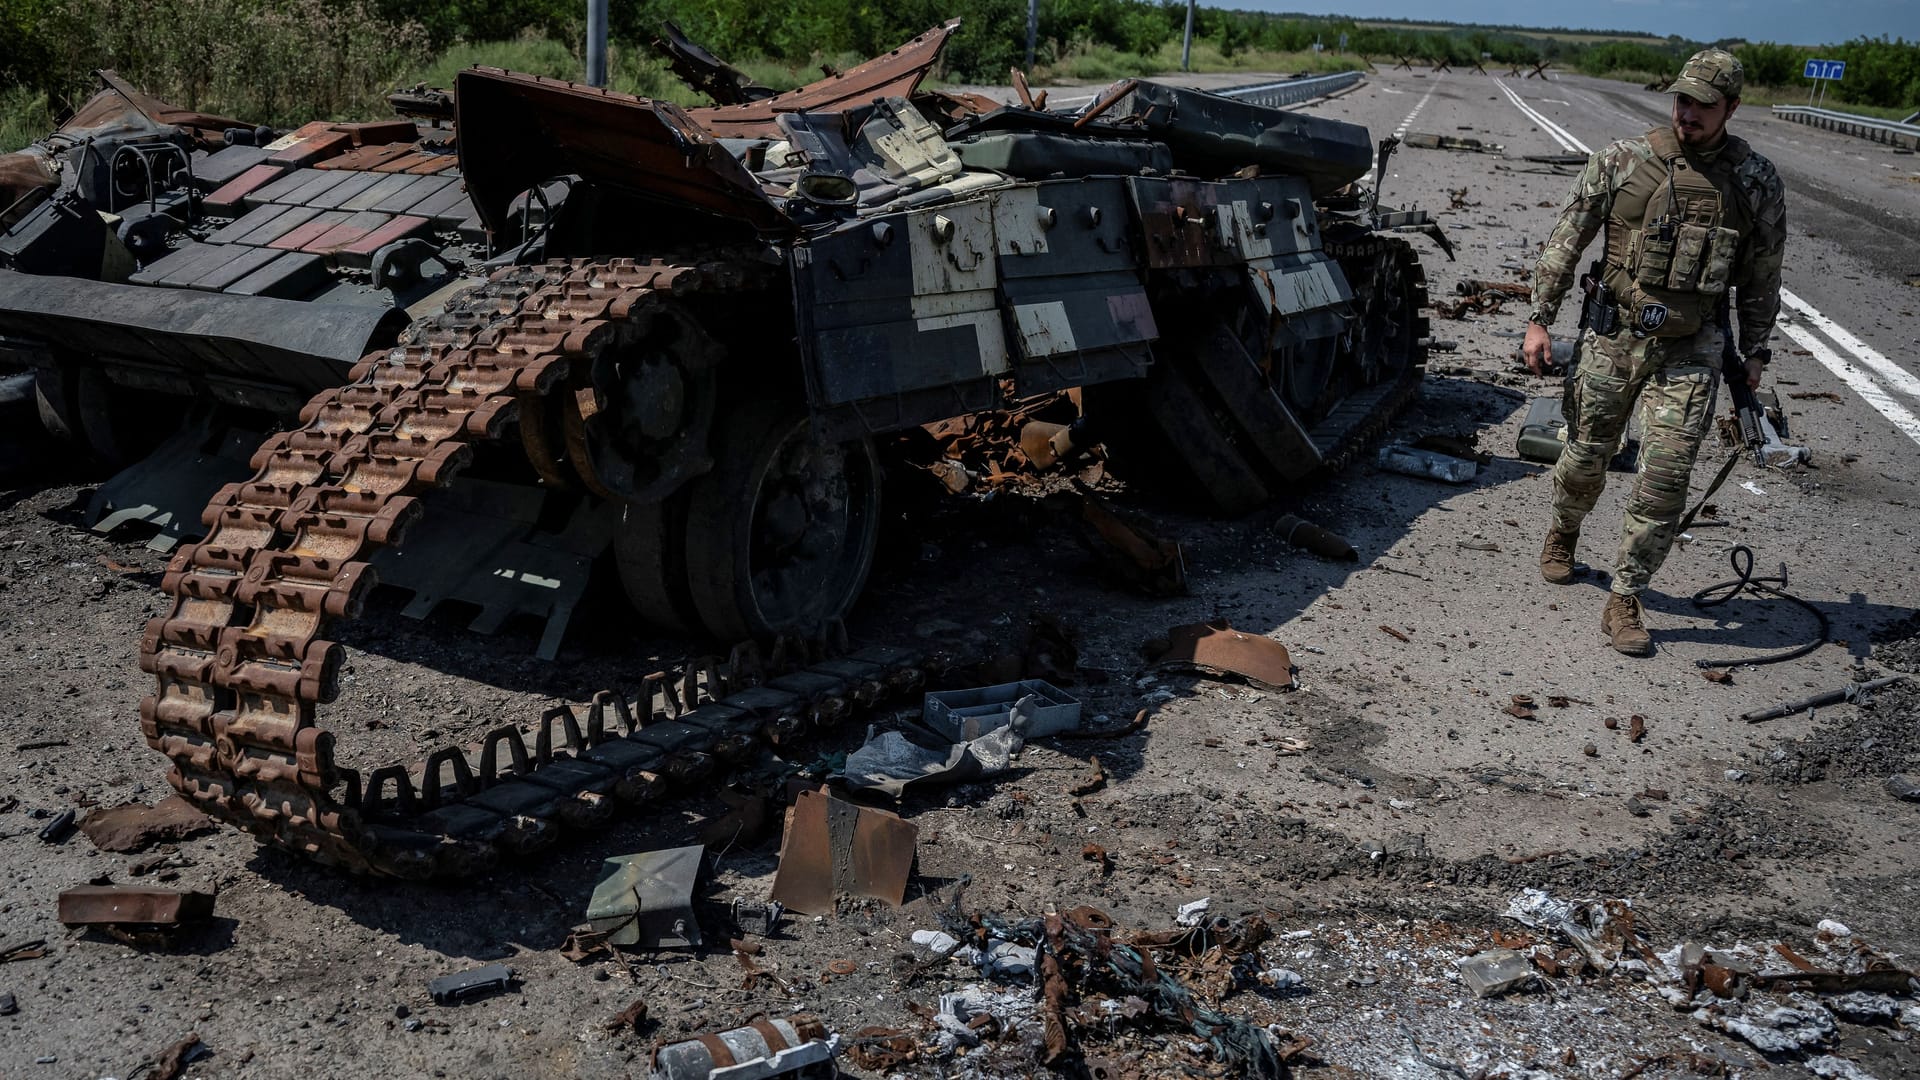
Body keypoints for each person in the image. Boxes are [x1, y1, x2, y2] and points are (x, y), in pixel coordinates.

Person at [1521, 48, 1786, 657]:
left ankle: (1626, 593)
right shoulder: (1622, 160)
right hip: (1614, 337)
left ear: (1732, 109)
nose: (1688, 113)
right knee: (1588, 453)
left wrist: (1755, 350)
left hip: (1693, 346)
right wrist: (1539, 319)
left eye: (1703, 105)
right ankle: (1564, 530)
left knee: (1665, 476)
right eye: (1682, 100)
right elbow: (1568, 237)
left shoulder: (1753, 181)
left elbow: (1764, 272)